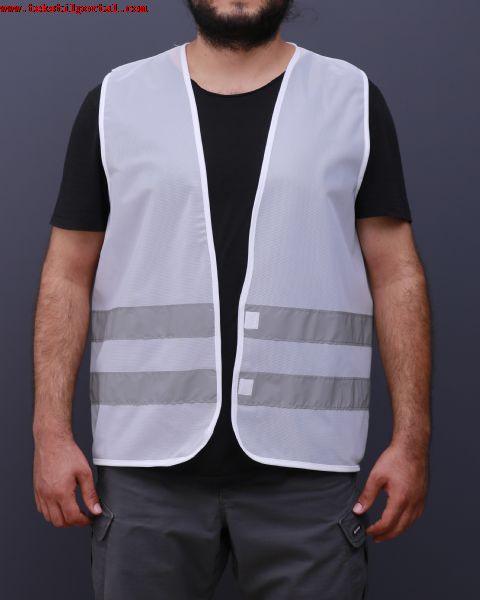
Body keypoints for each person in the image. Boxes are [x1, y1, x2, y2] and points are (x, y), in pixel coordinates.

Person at [32, 1, 432, 598]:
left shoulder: (351, 100)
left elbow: (397, 274)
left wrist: (411, 442)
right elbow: (66, 273)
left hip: (309, 472)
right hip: (145, 470)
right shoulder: (116, 101)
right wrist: (50, 433)